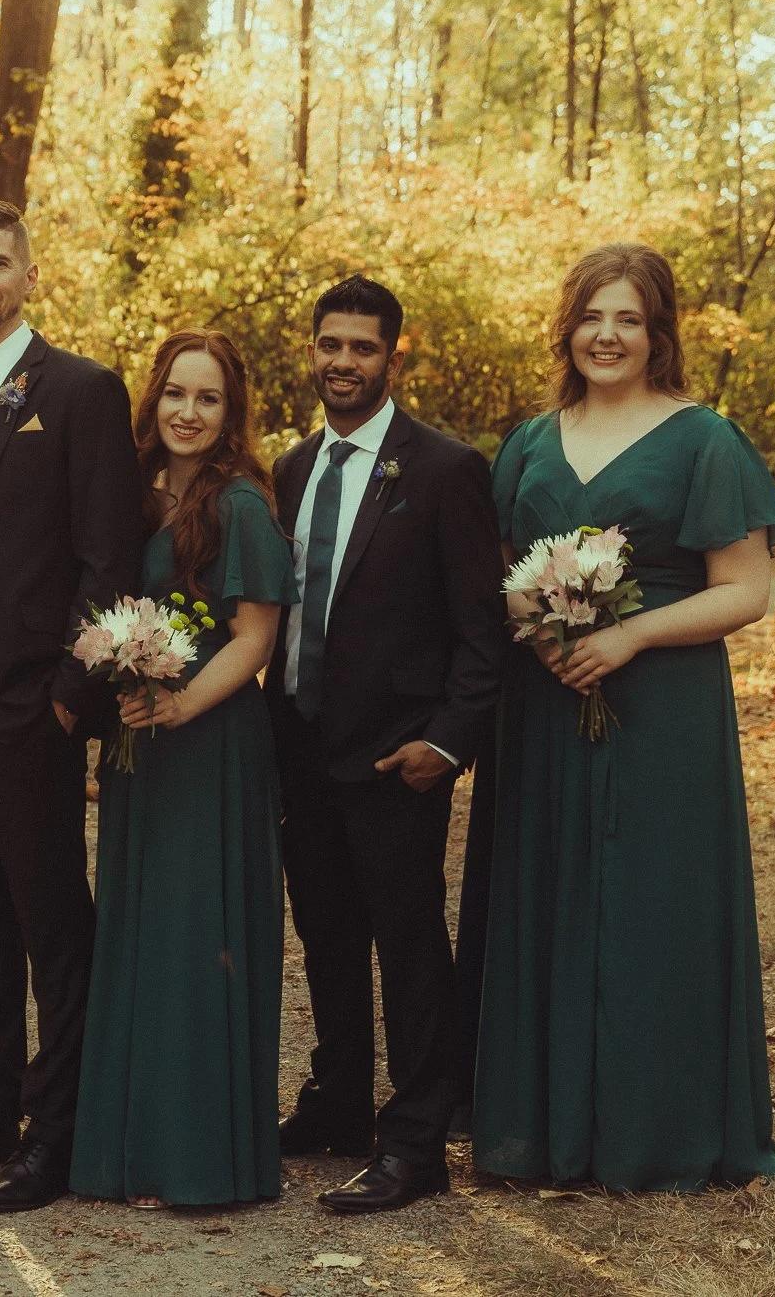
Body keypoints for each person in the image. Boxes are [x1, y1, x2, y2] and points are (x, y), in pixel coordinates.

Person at [473, 243, 775, 1192]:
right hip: (547, 699)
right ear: (566, 326)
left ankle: (663, 1129)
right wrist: (541, 634)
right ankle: (548, 1128)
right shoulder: (530, 441)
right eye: (591, 317)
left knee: (657, 903)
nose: (606, 336)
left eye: (628, 320)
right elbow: (499, 572)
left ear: (659, 334)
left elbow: (746, 590)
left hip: (664, 707)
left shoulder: (704, 439)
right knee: (550, 890)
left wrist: (631, 637)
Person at [0, 199, 147, 1214]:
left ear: (29, 275)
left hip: (28, 711)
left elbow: (106, 554)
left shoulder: (81, 390)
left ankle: (58, 1130)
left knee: (53, 922)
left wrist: (66, 700)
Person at [265, 275, 506, 1215]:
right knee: (324, 936)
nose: (343, 362)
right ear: (313, 348)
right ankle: (336, 1103)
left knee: (408, 945)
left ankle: (415, 1139)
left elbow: (482, 634)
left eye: (363, 348)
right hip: (303, 749)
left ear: (393, 357)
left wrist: (444, 745)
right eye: (330, 344)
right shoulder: (290, 469)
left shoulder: (445, 470)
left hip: (397, 759)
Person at [70, 330, 294, 1209]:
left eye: (207, 398)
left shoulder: (240, 505)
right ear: (152, 399)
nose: (187, 412)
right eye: (174, 393)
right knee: (139, 927)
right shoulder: (125, 490)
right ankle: (130, 1144)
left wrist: (180, 703)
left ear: (230, 410)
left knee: (200, 934)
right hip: (138, 746)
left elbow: (256, 638)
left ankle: (199, 1152)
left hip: (210, 742)